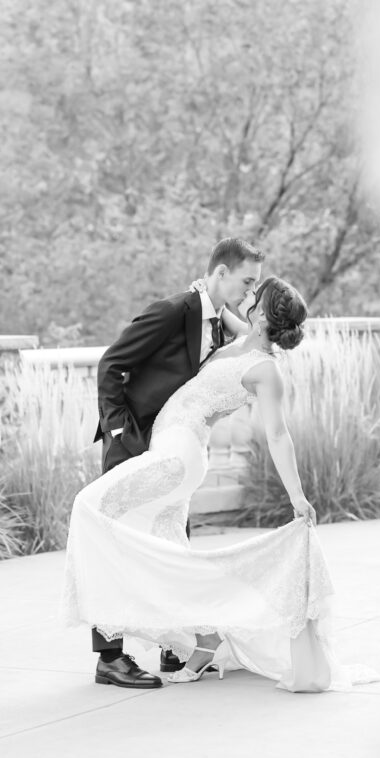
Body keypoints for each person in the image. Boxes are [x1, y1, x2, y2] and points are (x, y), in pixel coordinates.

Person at [63, 277, 376, 692]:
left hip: (177, 457)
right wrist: (203, 290)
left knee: (91, 506)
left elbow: (279, 435)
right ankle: (205, 637)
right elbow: (218, 308)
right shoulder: (246, 338)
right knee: (172, 555)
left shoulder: (266, 370)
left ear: (264, 313)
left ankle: (116, 643)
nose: (248, 297)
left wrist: (297, 496)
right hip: (176, 451)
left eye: (255, 295)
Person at [90, 237, 264, 687]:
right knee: (120, 542)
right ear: (220, 274)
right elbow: (111, 364)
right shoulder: (172, 311)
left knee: (171, 542)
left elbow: (252, 345)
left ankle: (174, 645)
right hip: (135, 441)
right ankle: (110, 658)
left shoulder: (221, 325)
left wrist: (235, 317)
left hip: (174, 449)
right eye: (246, 282)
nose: (249, 292)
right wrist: (118, 434)